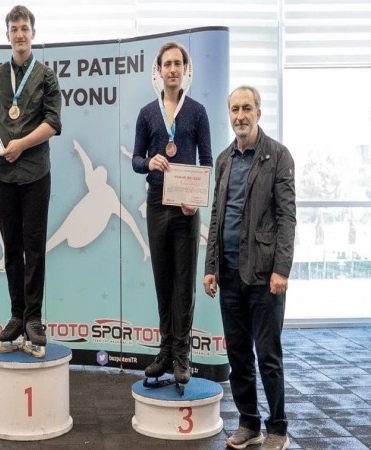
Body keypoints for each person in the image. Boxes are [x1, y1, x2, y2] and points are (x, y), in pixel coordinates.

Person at [0, 5, 61, 358]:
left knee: (34, 247)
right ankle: (16, 315)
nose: (20, 34)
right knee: (11, 249)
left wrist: (21, 144)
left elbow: (53, 123)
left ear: (33, 33)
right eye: (14, 29)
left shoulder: (46, 77)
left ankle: (34, 318)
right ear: (7, 35)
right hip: (3, 175)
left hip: (36, 173)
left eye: (25, 28)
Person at [203, 85, 296, 450]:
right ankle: (249, 424)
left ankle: (278, 429)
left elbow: (287, 217)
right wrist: (211, 265)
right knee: (238, 355)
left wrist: (282, 269)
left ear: (258, 112)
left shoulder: (278, 156)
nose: (240, 115)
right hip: (228, 275)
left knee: (268, 356)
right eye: (234, 109)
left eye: (246, 108)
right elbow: (217, 216)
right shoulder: (224, 159)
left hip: (264, 276)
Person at [132, 42, 213, 384]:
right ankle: (165, 352)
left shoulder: (197, 112)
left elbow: (206, 161)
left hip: (186, 208)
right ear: (159, 71)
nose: (173, 69)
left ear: (185, 70)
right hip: (156, 204)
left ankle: (182, 355)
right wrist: (149, 162)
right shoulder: (147, 113)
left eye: (178, 63)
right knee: (163, 280)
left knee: (184, 284)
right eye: (167, 64)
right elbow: (136, 160)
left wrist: (196, 198)